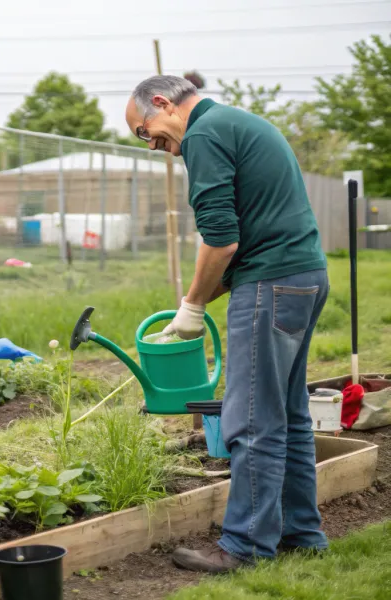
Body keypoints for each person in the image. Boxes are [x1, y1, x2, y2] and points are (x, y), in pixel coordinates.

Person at [125, 76, 329, 573]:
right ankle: (302, 533)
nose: (157, 148)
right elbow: (247, 232)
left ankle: (244, 547)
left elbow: (221, 240)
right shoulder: (238, 121)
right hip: (304, 274)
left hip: (270, 283)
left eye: (144, 132)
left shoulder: (204, 134)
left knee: (251, 418)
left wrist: (194, 307)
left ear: (161, 103)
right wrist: (189, 303)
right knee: (289, 413)